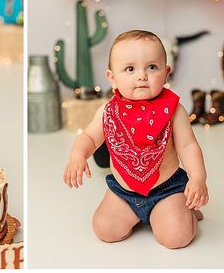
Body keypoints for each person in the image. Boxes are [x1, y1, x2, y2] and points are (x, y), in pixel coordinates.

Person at [64, 30, 209, 249]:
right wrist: (77, 155)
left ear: (166, 72)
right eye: (130, 69)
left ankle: (183, 212)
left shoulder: (174, 111)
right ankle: (142, 215)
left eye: (152, 67)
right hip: (124, 193)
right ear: (112, 78)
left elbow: (188, 147)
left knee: (176, 237)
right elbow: (89, 137)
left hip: (166, 190)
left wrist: (198, 178)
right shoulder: (108, 111)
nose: (141, 76)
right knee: (104, 229)